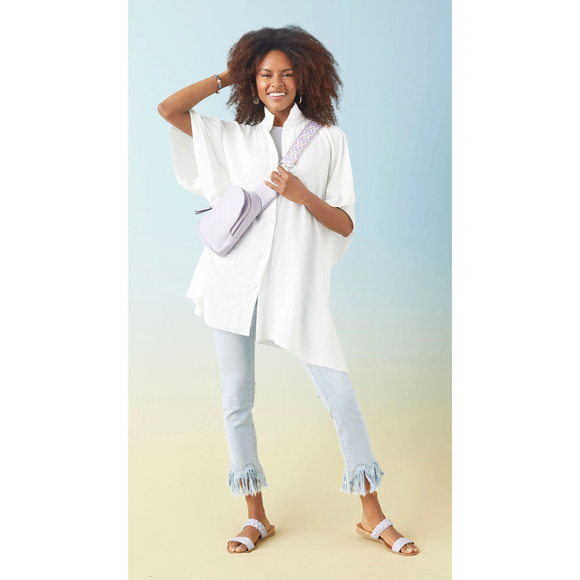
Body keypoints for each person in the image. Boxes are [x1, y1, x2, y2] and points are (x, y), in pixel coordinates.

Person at [158, 25, 419, 556]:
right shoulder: (233, 137)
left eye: (286, 73)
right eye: (264, 74)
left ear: (305, 78)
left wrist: (302, 195)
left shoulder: (328, 139)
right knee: (236, 398)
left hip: (294, 288)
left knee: (341, 397)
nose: (276, 83)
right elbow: (169, 109)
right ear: (252, 81)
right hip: (232, 283)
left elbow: (345, 223)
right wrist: (230, 74)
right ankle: (255, 516)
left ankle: (372, 515)